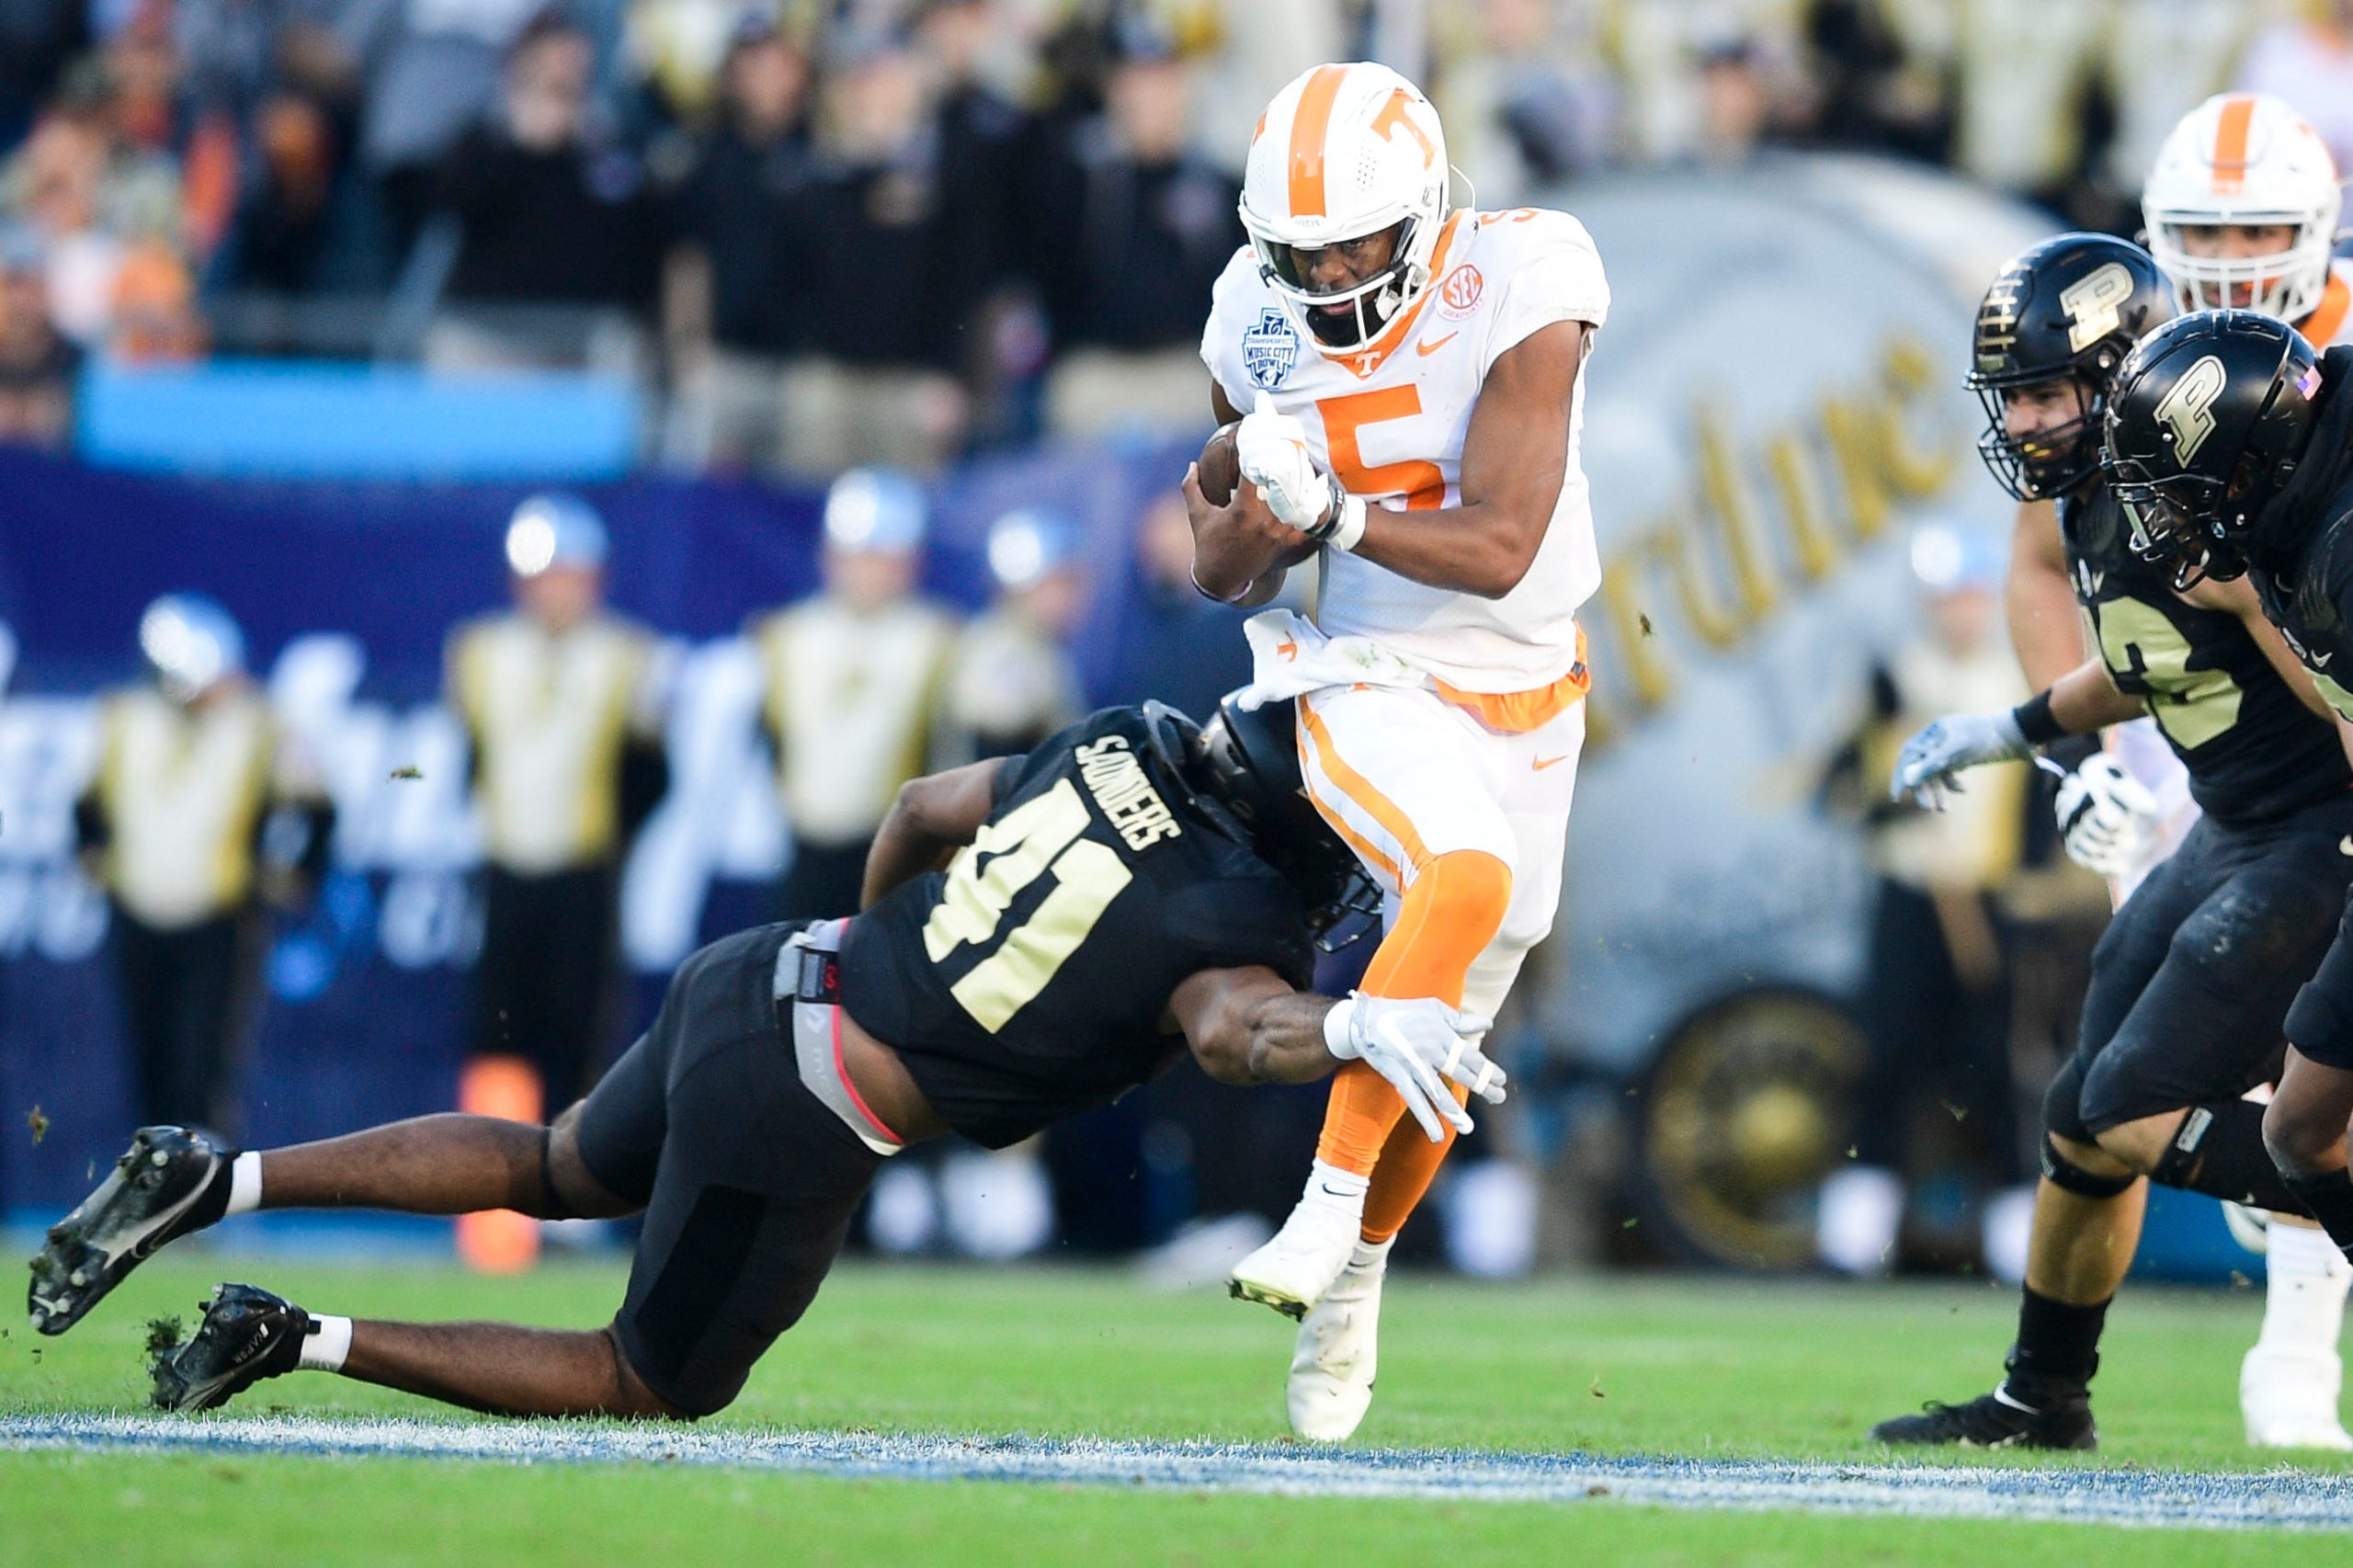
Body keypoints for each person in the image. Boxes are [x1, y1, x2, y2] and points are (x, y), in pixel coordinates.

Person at [28, 698, 1506, 1424]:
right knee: (646, 1379)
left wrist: (866, 950)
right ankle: (294, 1336)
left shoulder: (1117, 736)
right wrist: (1367, 1024)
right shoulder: (1242, 914)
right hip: (814, 1093)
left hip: (768, 967)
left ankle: (216, 1174)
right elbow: (1233, 1028)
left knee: (553, 1165)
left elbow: (927, 803)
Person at [1188, 62, 1605, 1440]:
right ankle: (1318, 1212)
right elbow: (1217, 566)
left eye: (1358, 240)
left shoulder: (1528, 273)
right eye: (1302, 248)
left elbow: (1501, 543)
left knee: (1459, 1015)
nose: (1330, 269)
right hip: (1362, 668)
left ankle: (1358, 1273)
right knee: (1464, 875)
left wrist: (1337, 516)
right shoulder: (1253, 316)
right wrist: (1264, 504)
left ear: (1427, 212)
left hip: (1531, 675)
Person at [1882, 245, 2353, 1453]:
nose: (2026, 419)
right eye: (2016, 396)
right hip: (2233, 824)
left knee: (2136, 1110)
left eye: (2047, 392)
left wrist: (2249, 592)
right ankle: (2044, 1394)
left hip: (2309, 832)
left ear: (2115, 372)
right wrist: (2016, 727)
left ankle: (2326, 1169)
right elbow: (2151, 662)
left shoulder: (2212, 487)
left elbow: (2326, 684)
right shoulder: (2119, 486)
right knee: (2080, 1119)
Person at [2102, 312, 2353, 1319]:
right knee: (2299, 1128)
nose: (2159, 518)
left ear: (2244, 462)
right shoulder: (2299, 507)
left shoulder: (2336, 545)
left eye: (2172, 487)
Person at [1816, 525, 2031, 1284]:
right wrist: (1887, 805)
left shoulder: (2019, 686)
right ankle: (1855, 1239)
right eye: (1943, 601)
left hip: (1986, 903)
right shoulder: (1893, 683)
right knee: (1888, 1055)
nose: (1956, 614)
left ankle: (2015, 1240)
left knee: (1991, 1068)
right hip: (1910, 898)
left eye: (1967, 598)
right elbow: (1837, 791)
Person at [447, 494, 671, 1185]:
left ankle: (575, 1181)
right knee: (498, 1030)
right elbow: (474, 760)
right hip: (505, 864)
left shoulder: (627, 655)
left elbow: (649, 775)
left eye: (567, 576)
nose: (554, 593)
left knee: (580, 1029)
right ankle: (492, 1181)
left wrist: (615, 845)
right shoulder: (481, 652)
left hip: (585, 867)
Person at [74, 594, 333, 1135]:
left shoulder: (258, 725)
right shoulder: (124, 718)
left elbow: (317, 807)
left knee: (203, 1063)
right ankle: (149, 1186)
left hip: (219, 916)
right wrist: (93, 856)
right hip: (136, 912)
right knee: (148, 1058)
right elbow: (87, 804)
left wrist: (296, 876)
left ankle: (200, 1189)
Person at [751, 468, 958, 922]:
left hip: (892, 848)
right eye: (859, 557)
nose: (870, 572)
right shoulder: (785, 635)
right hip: (800, 849)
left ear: (911, 564)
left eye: (884, 558)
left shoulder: (939, 640)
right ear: (830, 559)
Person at [945, 508, 1087, 764]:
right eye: (1061, 583)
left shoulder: (1041, 647)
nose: (1073, 598)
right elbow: (998, 753)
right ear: (1026, 587)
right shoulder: (997, 648)